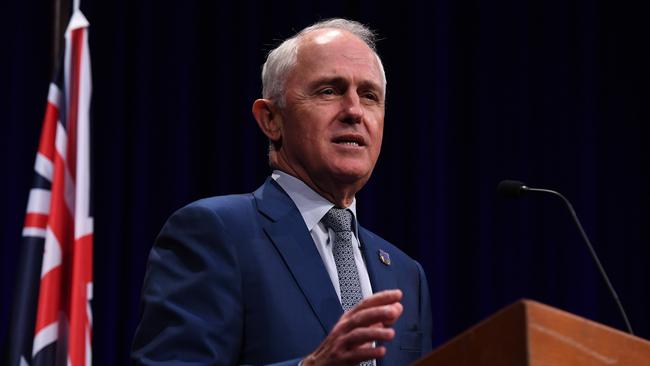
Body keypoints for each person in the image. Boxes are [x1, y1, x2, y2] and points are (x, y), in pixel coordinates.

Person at [131, 18, 432, 365]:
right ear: (271, 119)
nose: (354, 111)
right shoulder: (214, 233)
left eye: (369, 96)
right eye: (329, 91)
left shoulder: (407, 274)